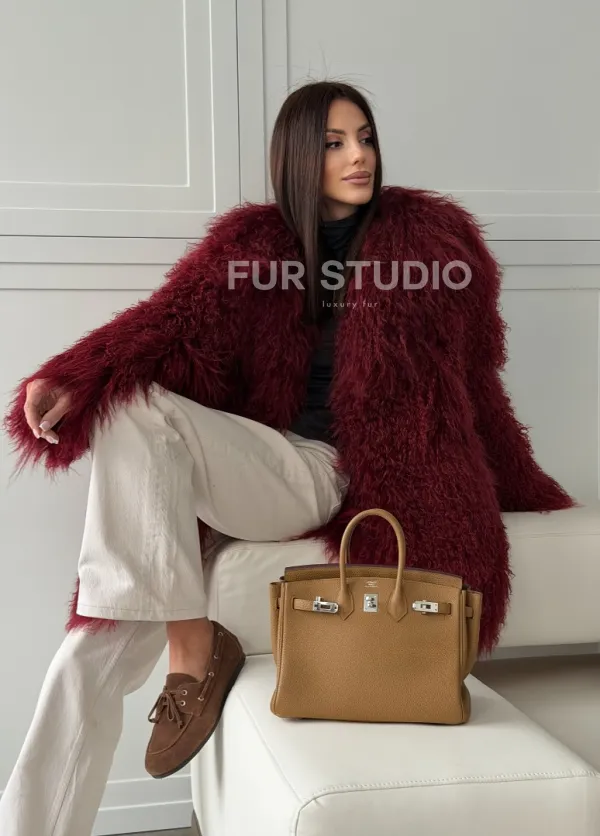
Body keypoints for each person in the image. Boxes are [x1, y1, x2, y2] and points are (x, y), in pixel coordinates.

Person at [0, 80, 574, 835]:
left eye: (365, 138)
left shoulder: (431, 244)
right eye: (335, 143)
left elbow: (475, 382)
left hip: (336, 473)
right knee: (95, 628)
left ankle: (189, 650)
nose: (359, 156)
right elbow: (166, 325)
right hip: (261, 461)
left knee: (108, 606)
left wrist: (521, 482)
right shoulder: (250, 245)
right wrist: (73, 379)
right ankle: (61, 794)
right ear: (300, 156)